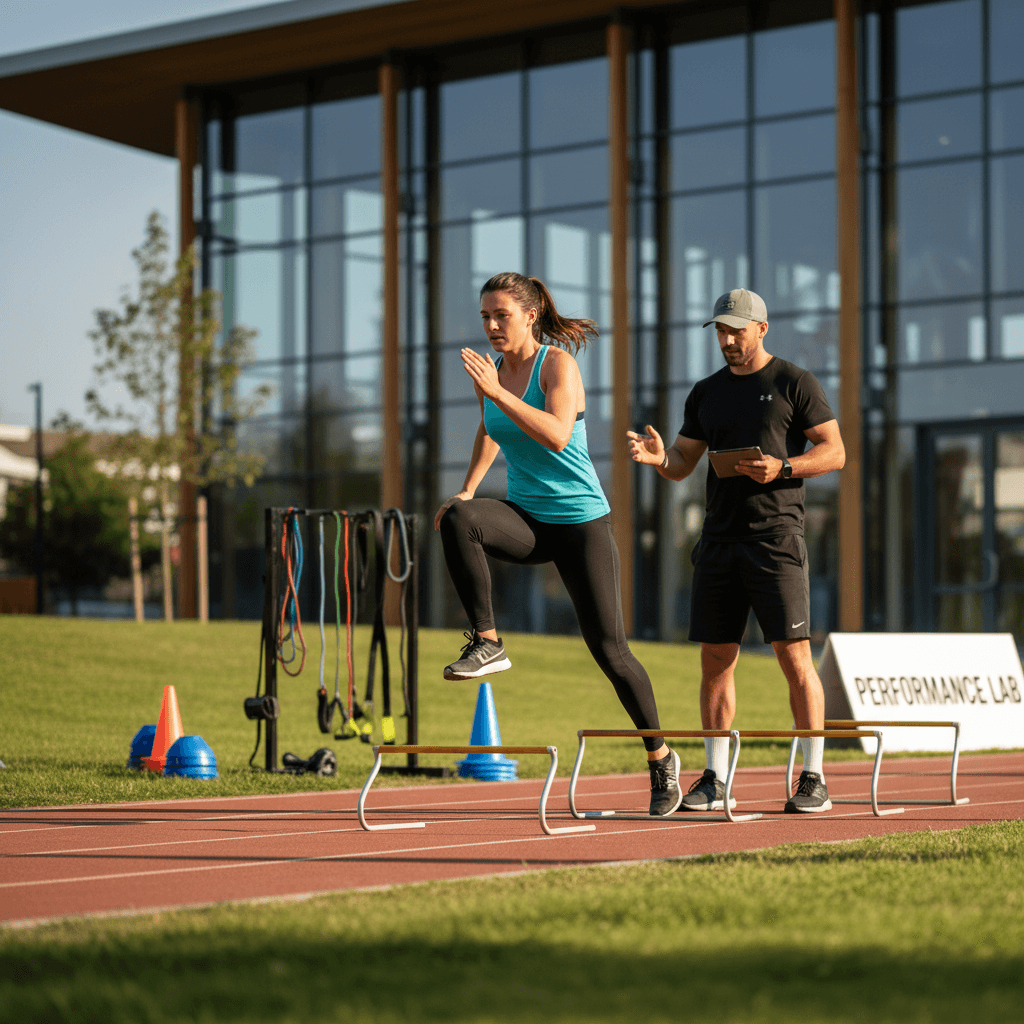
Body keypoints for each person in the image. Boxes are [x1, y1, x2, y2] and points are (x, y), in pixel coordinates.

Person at [435, 272, 682, 815]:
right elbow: (488, 428)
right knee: (459, 519)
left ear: (530, 315)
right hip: (527, 518)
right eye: (485, 317)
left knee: (611, 653)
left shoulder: (557, 366)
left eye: (501, 315)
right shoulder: (495, 371)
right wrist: (469, 488)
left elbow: (557, 434)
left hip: (579, 524)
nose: (492, 326)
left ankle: (660, 755)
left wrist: (498, 392)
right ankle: (487, 641)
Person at [627, 288, 846, 813]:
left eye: (736, 331)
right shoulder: (706, 392)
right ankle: (716, 779)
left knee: (794, 659)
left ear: (761, 329)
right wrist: (661, 459)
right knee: (716, 661)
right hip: (719, 542)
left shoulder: (795, 382)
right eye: (721, 331)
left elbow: (835, 452)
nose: (727, 340)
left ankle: (812, 777)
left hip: (777, 541)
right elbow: (683, 460)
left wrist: (784, 468)